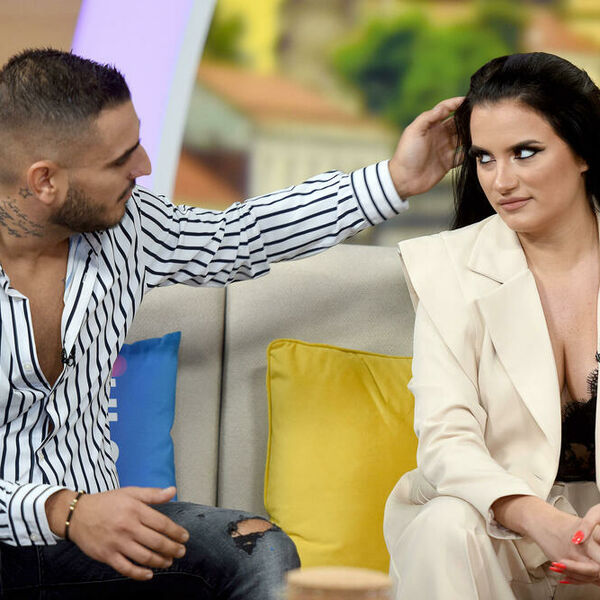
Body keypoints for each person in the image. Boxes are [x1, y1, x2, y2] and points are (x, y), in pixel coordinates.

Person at [0, 48, 459, 599]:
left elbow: (241, 235)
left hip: (109, 541)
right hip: (27, 533)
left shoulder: (128, 229)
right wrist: (63, 510)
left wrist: (395, 179)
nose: (143, 167)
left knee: (256, 545)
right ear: (44, 181)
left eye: (137, 144)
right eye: (119, 160)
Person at [383, 52, 600, 599]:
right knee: (444, 525)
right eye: (484, 158)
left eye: (525, 152)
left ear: (583, 151)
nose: (501, 182)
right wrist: (540, 520)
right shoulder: (446, 267)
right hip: (502, 529)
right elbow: (446, 440)